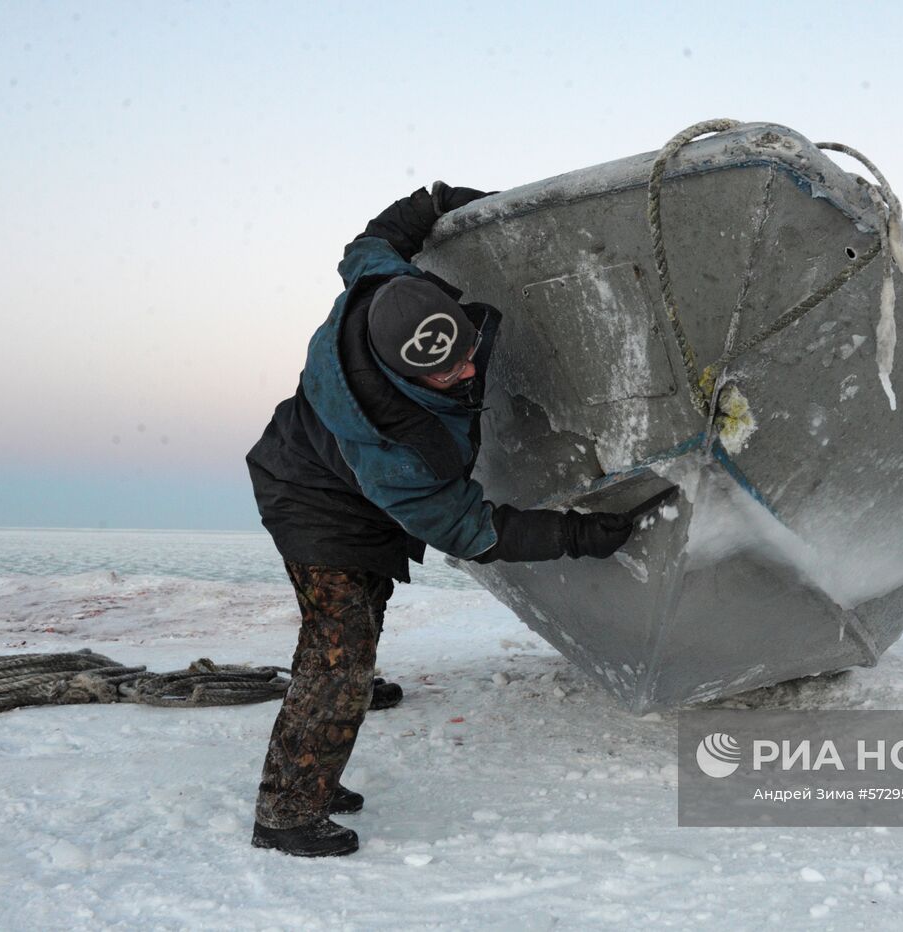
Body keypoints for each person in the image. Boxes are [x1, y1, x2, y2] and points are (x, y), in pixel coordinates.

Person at [245, 182, 634, 857]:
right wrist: (576, 534)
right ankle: (286, 814)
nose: (464, 373)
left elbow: (374, 238)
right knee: (340, 658)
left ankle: (311, 768)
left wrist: (449, 202)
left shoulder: (386, 288)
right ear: (403, 378)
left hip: (333, 485)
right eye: (443, 374)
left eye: (464, 355)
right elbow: (469, 529)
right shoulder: (399, 448)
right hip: (313, 503)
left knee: (351, 634)